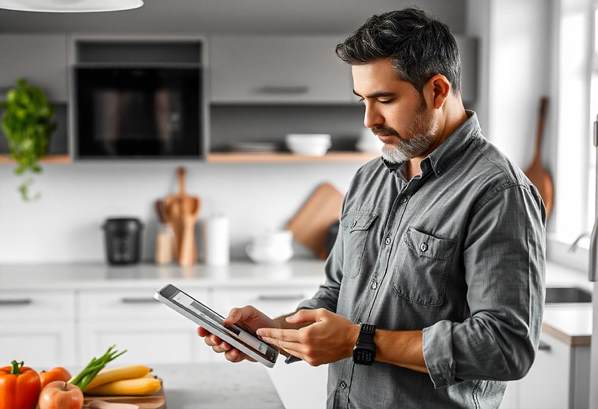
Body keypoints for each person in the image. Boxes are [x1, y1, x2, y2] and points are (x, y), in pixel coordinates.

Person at [198, 8, 546, 409]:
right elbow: (336, 293)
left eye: (384, 99)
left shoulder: (498, 192)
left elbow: (506, 347)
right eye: (363, 100)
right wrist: (276, 333)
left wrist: (360, 342)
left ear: (437, 90)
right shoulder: (369, 178)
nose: (369, 119)